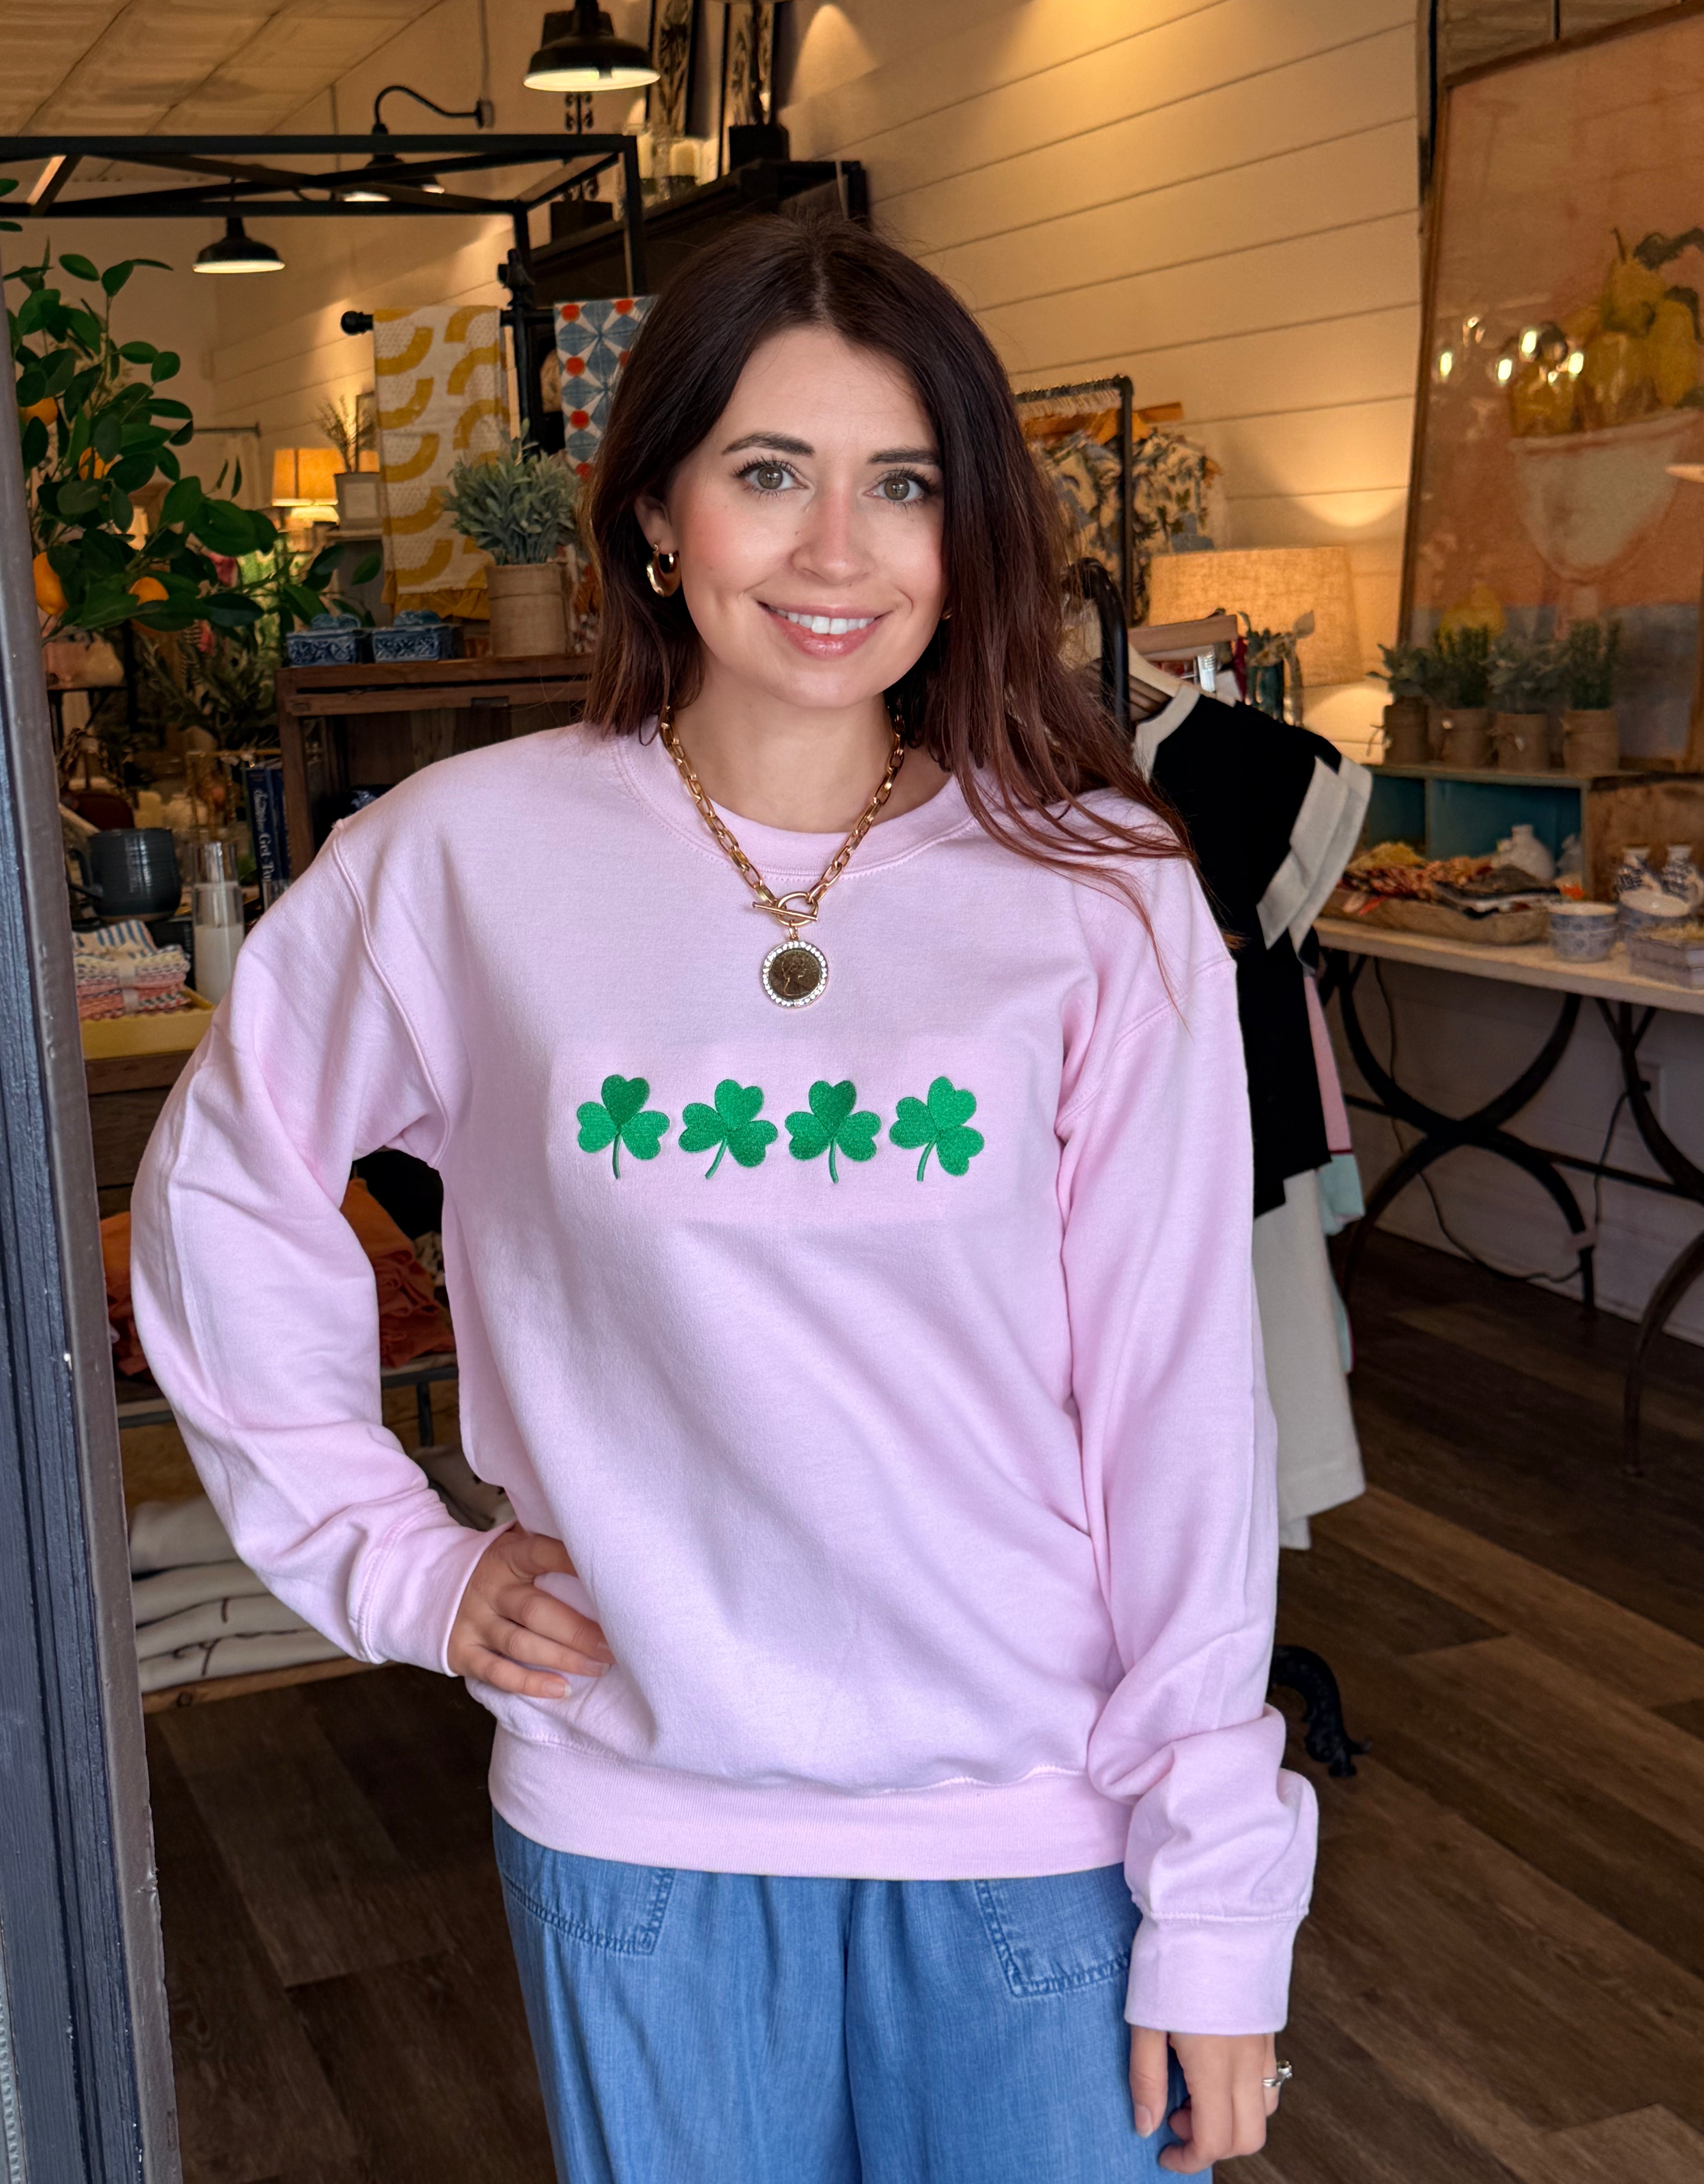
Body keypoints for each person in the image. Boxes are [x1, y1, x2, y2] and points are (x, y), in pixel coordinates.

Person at [131, 214, 1317, 2182]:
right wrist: (397, 1560)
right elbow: (224, 1188)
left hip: (1037, 1828)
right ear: (655, 517)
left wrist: (1218, 1894)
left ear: (969, 535)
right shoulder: (467, 859)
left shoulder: (1100, 893)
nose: (839, 551)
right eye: (772, 473)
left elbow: (1184, 1411)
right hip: (643, 1830)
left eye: (903, 485)